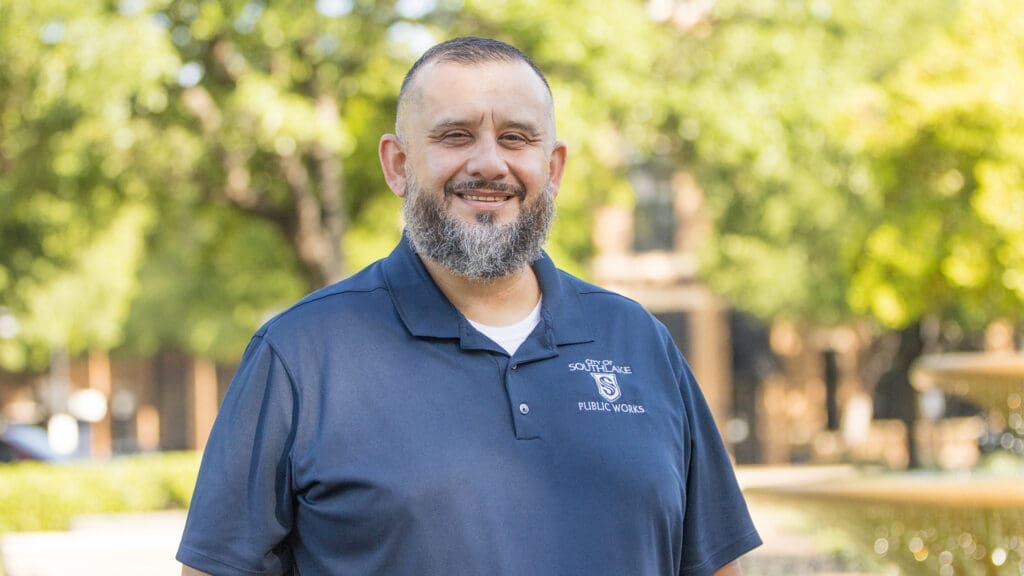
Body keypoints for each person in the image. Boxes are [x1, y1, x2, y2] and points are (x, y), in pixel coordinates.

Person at [177, 36, 761, 576]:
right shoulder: (300, 355)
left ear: (552, 168)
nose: (489, 163)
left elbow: (716, 565)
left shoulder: (638, 341)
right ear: (398, 165)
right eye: (455, 135)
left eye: (516, 137)